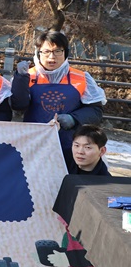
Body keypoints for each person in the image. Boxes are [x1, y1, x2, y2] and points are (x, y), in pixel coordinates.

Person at [10, 31, 106, 172]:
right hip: (34, 146)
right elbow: (19, 106)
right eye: (46, 51)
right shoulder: (28, 76)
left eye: (57, 51)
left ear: (65, 53)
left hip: (70, 148)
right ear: (38, 53)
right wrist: (20, 78)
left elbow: (96, 111)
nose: (51, 57)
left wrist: (74, 119)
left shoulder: (81, 77)